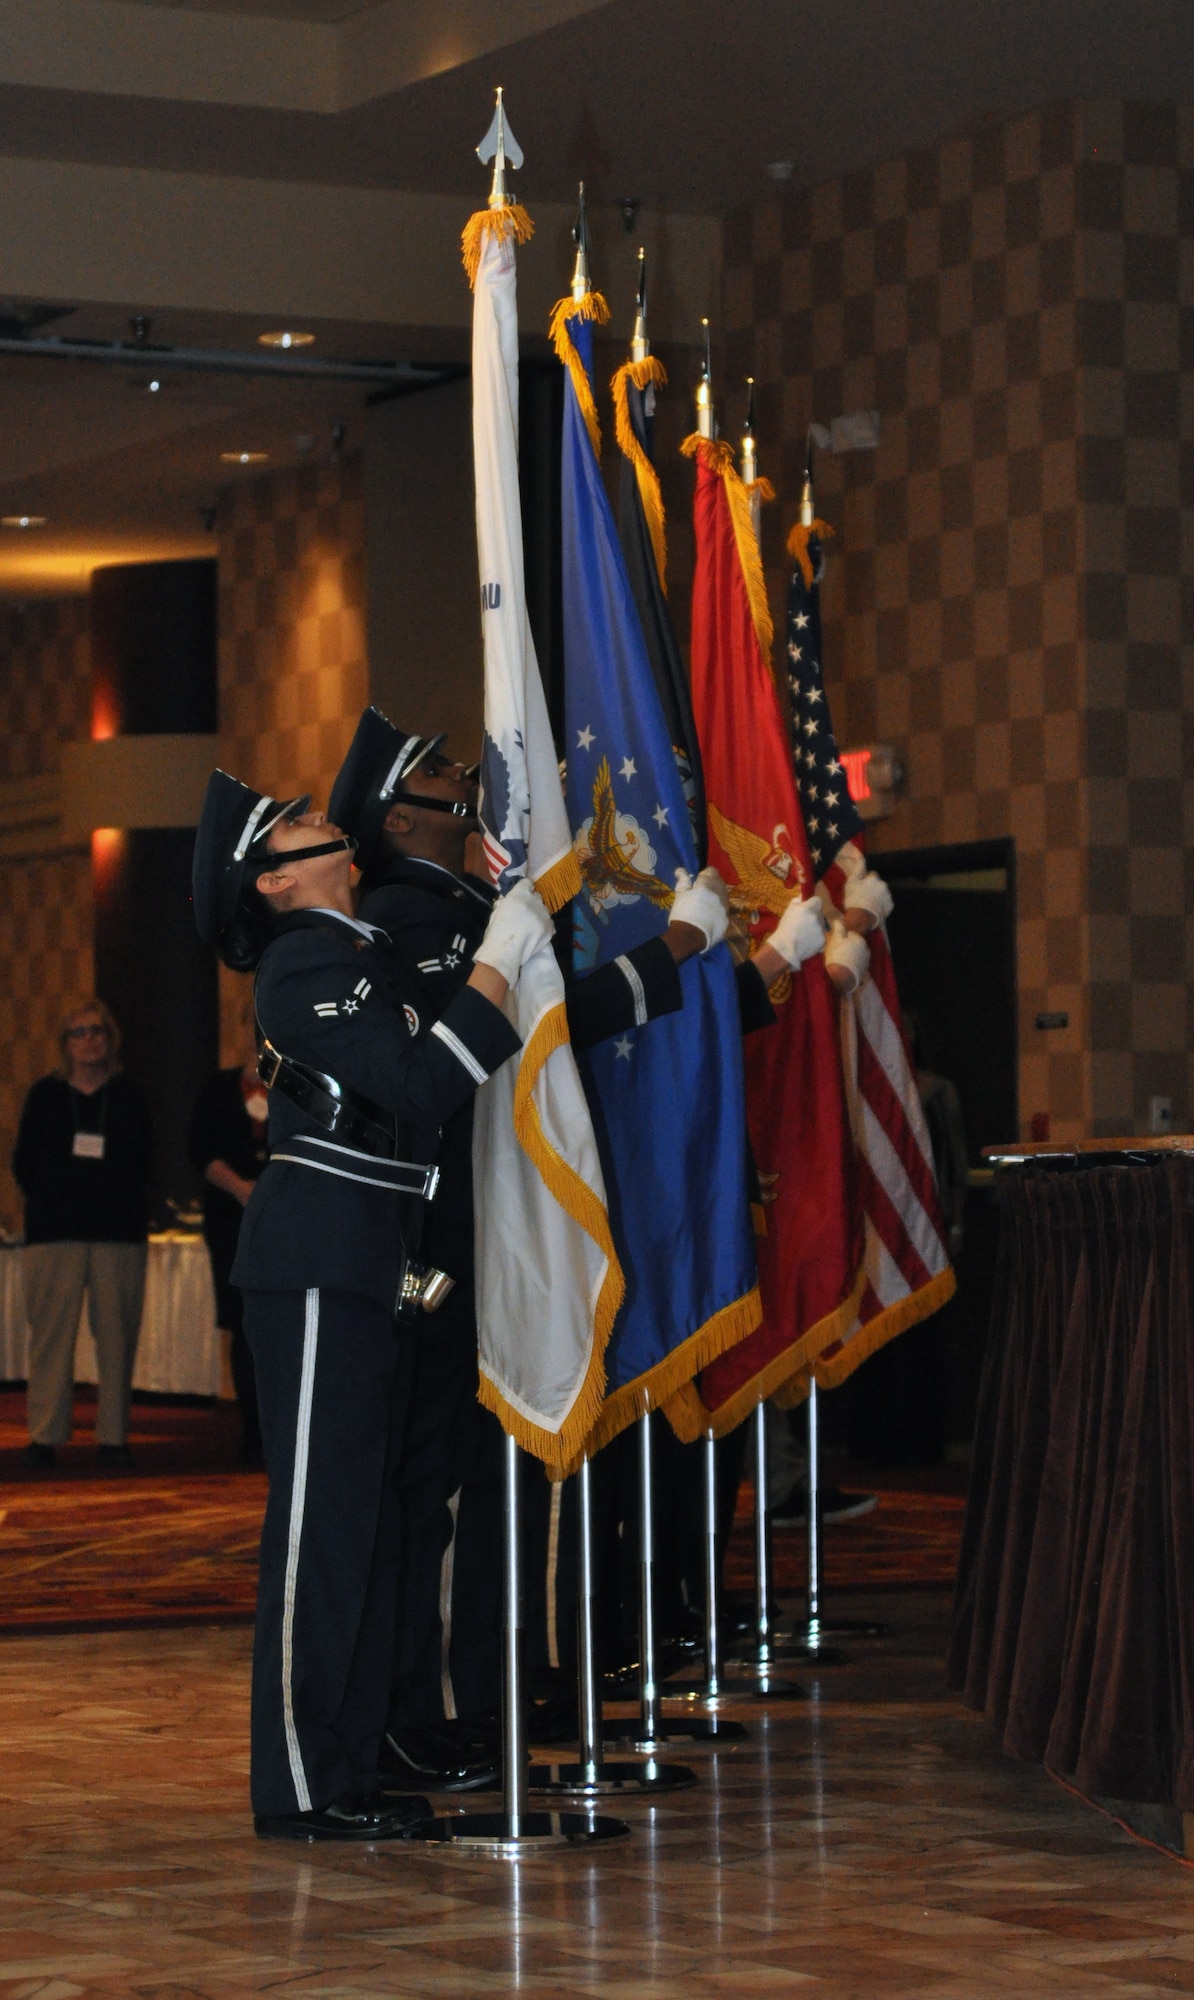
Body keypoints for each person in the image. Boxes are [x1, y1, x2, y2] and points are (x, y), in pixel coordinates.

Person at [327, 705, 826, 1764]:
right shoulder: (413, 916)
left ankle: (480, 1692)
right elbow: (550, 1024)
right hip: (460, 1233)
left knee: (471, 1482)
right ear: (401, 817)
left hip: (496, 1228)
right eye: (448, 779)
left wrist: (730, 962)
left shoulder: (462, 906)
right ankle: (443, 1706)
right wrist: (682, 945)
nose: (472, 788)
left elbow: (573, 1027)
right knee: (436, 1491)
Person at [192, 768, 543, 1842]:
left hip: (365, 1255)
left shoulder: (362, 956)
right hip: (315, 1261)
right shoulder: (303, 963)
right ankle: (302, 1780)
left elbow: (437, 1063)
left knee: (360, 1522)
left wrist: (505, 931)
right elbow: (422, 1081)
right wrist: (498, 958)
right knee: (318, 1533)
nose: (333, 831)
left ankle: (347, 1761)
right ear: (277, 880)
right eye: (304, 830)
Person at [13, 999, 152, 1470]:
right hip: (55, 1234)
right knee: (51, 1338)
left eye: (98, 1031)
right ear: (65, 1045)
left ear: (110, 1039)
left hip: (118, 1234)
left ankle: (114, 1436)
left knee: (118, 1337)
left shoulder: (130, 1095)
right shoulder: (45, 1095)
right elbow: (24, 1163)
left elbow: (146, 1161)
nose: (90, 1040)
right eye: (79, 1033)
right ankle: (45, 1434)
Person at [186, 1002, 268, 1462]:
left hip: (286, 1226)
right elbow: (199, 1148)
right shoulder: (219, 1088)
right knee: (242, 1327)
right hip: (231, 1223)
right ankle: (252, 1433)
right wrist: (240, 1189)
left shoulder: (296, 1084)